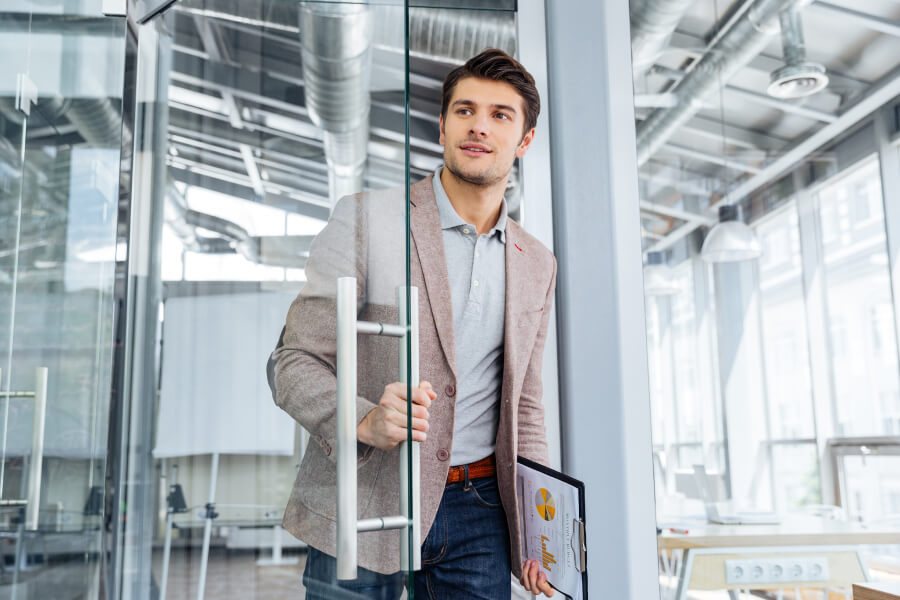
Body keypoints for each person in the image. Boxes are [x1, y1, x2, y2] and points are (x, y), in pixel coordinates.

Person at [270, 48, 557, 599]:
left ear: (524, 141)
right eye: (465, 110)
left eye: (501, 115)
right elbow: (292, 360)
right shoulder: (367, 220)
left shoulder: (535, 262)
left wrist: (534, 525)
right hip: (364, 493)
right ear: (442, 125)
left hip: (478, 512)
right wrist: (362, 420)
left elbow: (524, 405)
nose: (479, 125)